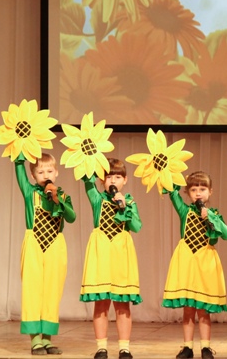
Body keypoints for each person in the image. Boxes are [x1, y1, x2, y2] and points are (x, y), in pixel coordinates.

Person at [162, 172, 227, 359]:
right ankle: (187, 347)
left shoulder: (214, 214)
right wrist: (170, 173)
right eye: (193, 189)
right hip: (187, 261)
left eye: (202, 189)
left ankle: (206, 347)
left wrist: (210, 218)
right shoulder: (185, 212)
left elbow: (226, 234)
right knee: (188, 308)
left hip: (205, 263)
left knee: (203, 309)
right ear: (188, 192)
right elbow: (172, 193)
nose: (198, 193)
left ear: (210, 192)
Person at [14, 153, 76, 355]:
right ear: (33, 175)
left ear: (56, 173)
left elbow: (71, 217)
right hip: (34, 244)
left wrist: (57, 199)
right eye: (40, 172)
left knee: (52, 290)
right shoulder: (29, 192)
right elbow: (18, 166)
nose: (45, 175)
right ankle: (35, 339)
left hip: (55, 245)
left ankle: (48, 338)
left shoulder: (63, 196)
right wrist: (21, 148)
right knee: (32, 290)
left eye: (49, 171)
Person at [81, 158, 142, 359]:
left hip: (121, 255)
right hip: (100, 254)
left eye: (117, 177)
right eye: (108, 177)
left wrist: (124, 207)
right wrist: (91, 158)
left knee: (122, 303)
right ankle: (101, 347)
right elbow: (87, 180)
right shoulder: (98, 199)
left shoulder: (130, 202)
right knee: (101, 302)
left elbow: (136, 227)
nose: (112, 181)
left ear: (125, 180)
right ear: (101, 180)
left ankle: (124, 347)